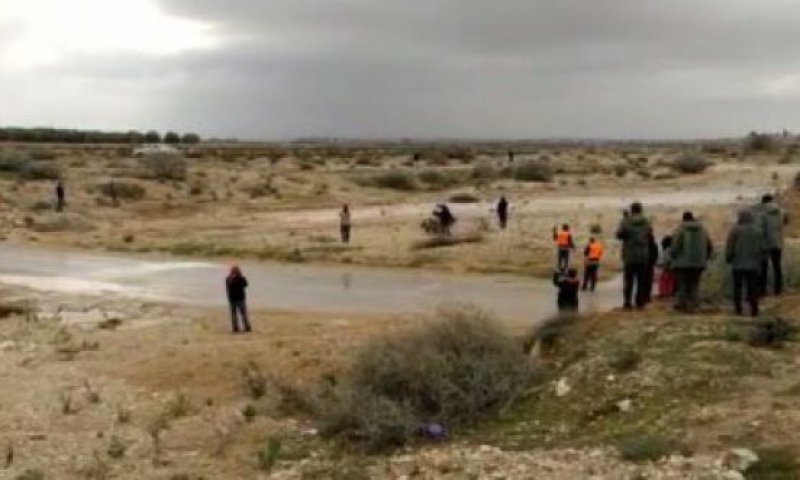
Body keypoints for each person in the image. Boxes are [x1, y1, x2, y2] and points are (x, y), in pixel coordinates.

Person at [670, 211, 713, 313]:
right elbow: (709, 246)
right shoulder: (703, 230)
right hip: (699, 263)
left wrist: (673, 256)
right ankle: (695, 304)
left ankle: (682, 304)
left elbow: (675, 247)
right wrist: (705, 257)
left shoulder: (680, 230)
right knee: (694, 284)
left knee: (682, 284)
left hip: (682, 263)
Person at [725, 209, 765, 316]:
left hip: (738, 264)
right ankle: (754, 309)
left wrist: (728, 258)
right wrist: (760, 260)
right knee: (752, 288)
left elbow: (730, 246)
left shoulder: (735, 230)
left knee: (737, 288)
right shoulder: (757, 230)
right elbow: (762, 247)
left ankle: (738, 309)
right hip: (753, 264)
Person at [616, 202, 653, 309]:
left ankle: (627, 302)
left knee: (628, 280)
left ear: (632, 210)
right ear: (641, 210)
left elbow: (619, 235)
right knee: (641, 280)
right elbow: (650, 235)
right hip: (643, 255)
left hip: (629, 254)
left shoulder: (626, 222)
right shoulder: (646, 222)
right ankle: (640, 302)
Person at [754, 194, 788, 296]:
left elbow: (759, 230)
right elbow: (786, 221)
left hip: (765, 244)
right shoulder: (781, 212)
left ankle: (762, 291)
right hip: (778, 243)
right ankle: (778, 290)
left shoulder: (761, 214)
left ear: (763, 202)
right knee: (777, 267)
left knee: (763, 268)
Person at [225, 265, 251, 333]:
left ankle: (241, 327)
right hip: (237, 299)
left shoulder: (238, 278)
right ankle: (241, 327)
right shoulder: (231, 278)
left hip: (236, 299)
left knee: (239, 314)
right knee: (239, 314)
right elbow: (245, 285)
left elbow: (245, 285)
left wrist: (239, 277)